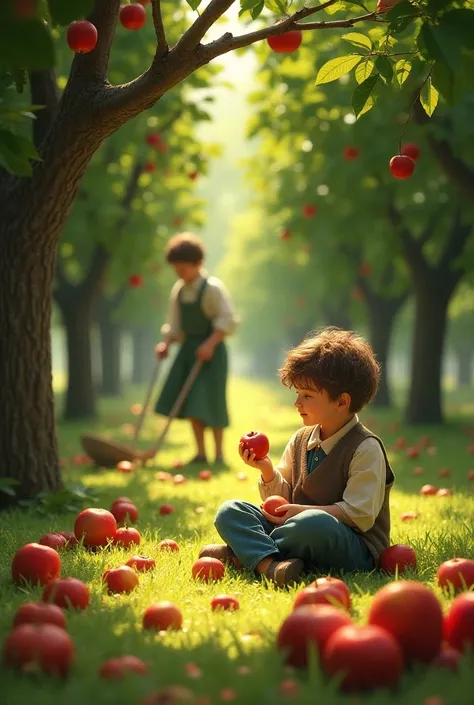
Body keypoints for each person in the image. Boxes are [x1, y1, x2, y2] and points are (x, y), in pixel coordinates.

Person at [199, 327, 394, 586]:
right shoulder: (301, 439)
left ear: (342, 402)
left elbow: (359, 514)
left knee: (314, 524)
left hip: (349, 546)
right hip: (296, 532)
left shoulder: (365, 448)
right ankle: (270, 566)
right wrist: (267, 470)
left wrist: (299, 512)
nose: (297, 403)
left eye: (307, 395)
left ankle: (241, 554)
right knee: (230, 511)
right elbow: (282, 500)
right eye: (297, 394)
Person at [154, 232, 238, 465]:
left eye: (183, 269)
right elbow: (175, 324)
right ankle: (201, 453)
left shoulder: (212, 288)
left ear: (197, 264)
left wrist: (209, 344)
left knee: (211, 401)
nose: (179, 274)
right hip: (189, 352)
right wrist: (166, 344)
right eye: (176, 270)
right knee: (191, 403)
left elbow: (227, 320)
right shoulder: (179, 290)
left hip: (212, 351)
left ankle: (219, 453)